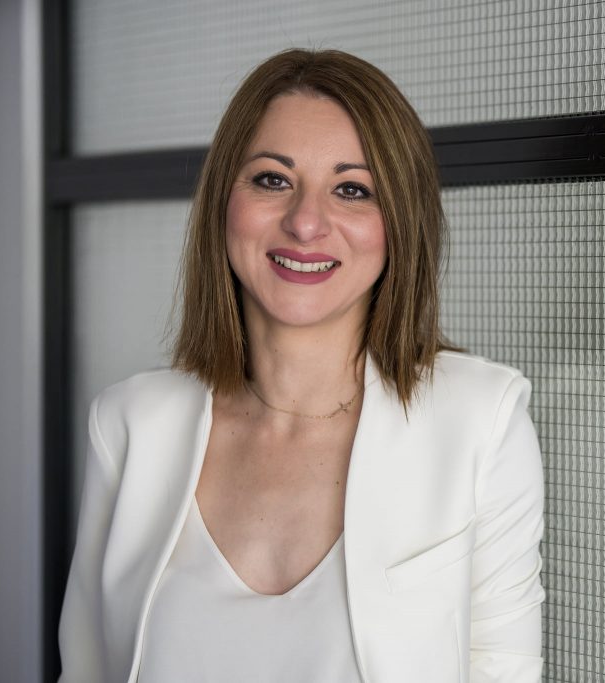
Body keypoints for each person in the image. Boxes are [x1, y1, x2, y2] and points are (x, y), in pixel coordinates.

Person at [58, 49, 545, 682]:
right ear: (222, 201)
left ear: (400, 222)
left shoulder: (482, 419)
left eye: (352, 190)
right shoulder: (129, 424)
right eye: (272, 180)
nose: (306, 222)